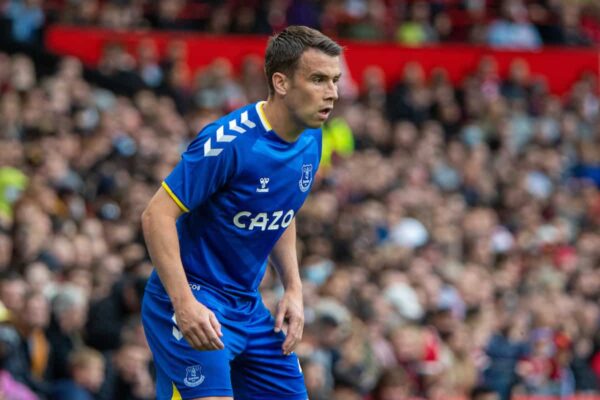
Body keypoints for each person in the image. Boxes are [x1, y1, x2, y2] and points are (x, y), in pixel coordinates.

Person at [141, 25, 342, 400]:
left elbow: (282, 211)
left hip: (247, 305)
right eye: (318, 79)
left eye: (335, 80)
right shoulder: (230, 142)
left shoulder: (312, 137)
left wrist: (293, 289)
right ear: (281, 83)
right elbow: (156, 215)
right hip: (194, 298)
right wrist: (184, 303)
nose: (332, 92)